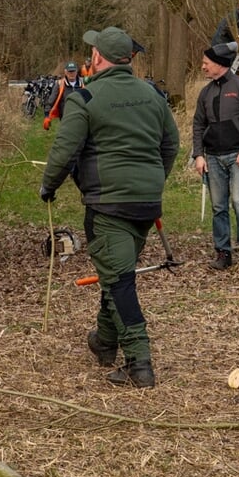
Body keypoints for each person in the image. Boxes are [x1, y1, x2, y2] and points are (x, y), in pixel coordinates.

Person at [40, 26, 179, 387]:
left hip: (108, 206)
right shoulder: (153, 96)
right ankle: (104, 342)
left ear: (98, 58)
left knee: (120, 283)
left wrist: (48, 186)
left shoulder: (84, 98)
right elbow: (171, 145)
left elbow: (64, 150)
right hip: (147, 204)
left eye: (92, 53)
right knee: (115, 269)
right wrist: (152, 180)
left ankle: (140, 364)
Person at [190, 41, 239, 272]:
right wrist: (198, 155)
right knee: (218, 206)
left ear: (220, 64)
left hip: (237, 156)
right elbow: (198, 125)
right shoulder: (205, 92)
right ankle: (223, 252)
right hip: (212, 157)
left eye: (206, 63)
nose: (203, 67)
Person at [41, 61, 85, 130]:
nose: (71, 73)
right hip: (65, 120)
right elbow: (50, 101)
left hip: (81, 119)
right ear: (65, 72)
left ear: (77, 71)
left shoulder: (83, 84)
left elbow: (89, 102)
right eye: (69, 71)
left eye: (73, 71)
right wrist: (46, 116)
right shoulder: (59, 84)